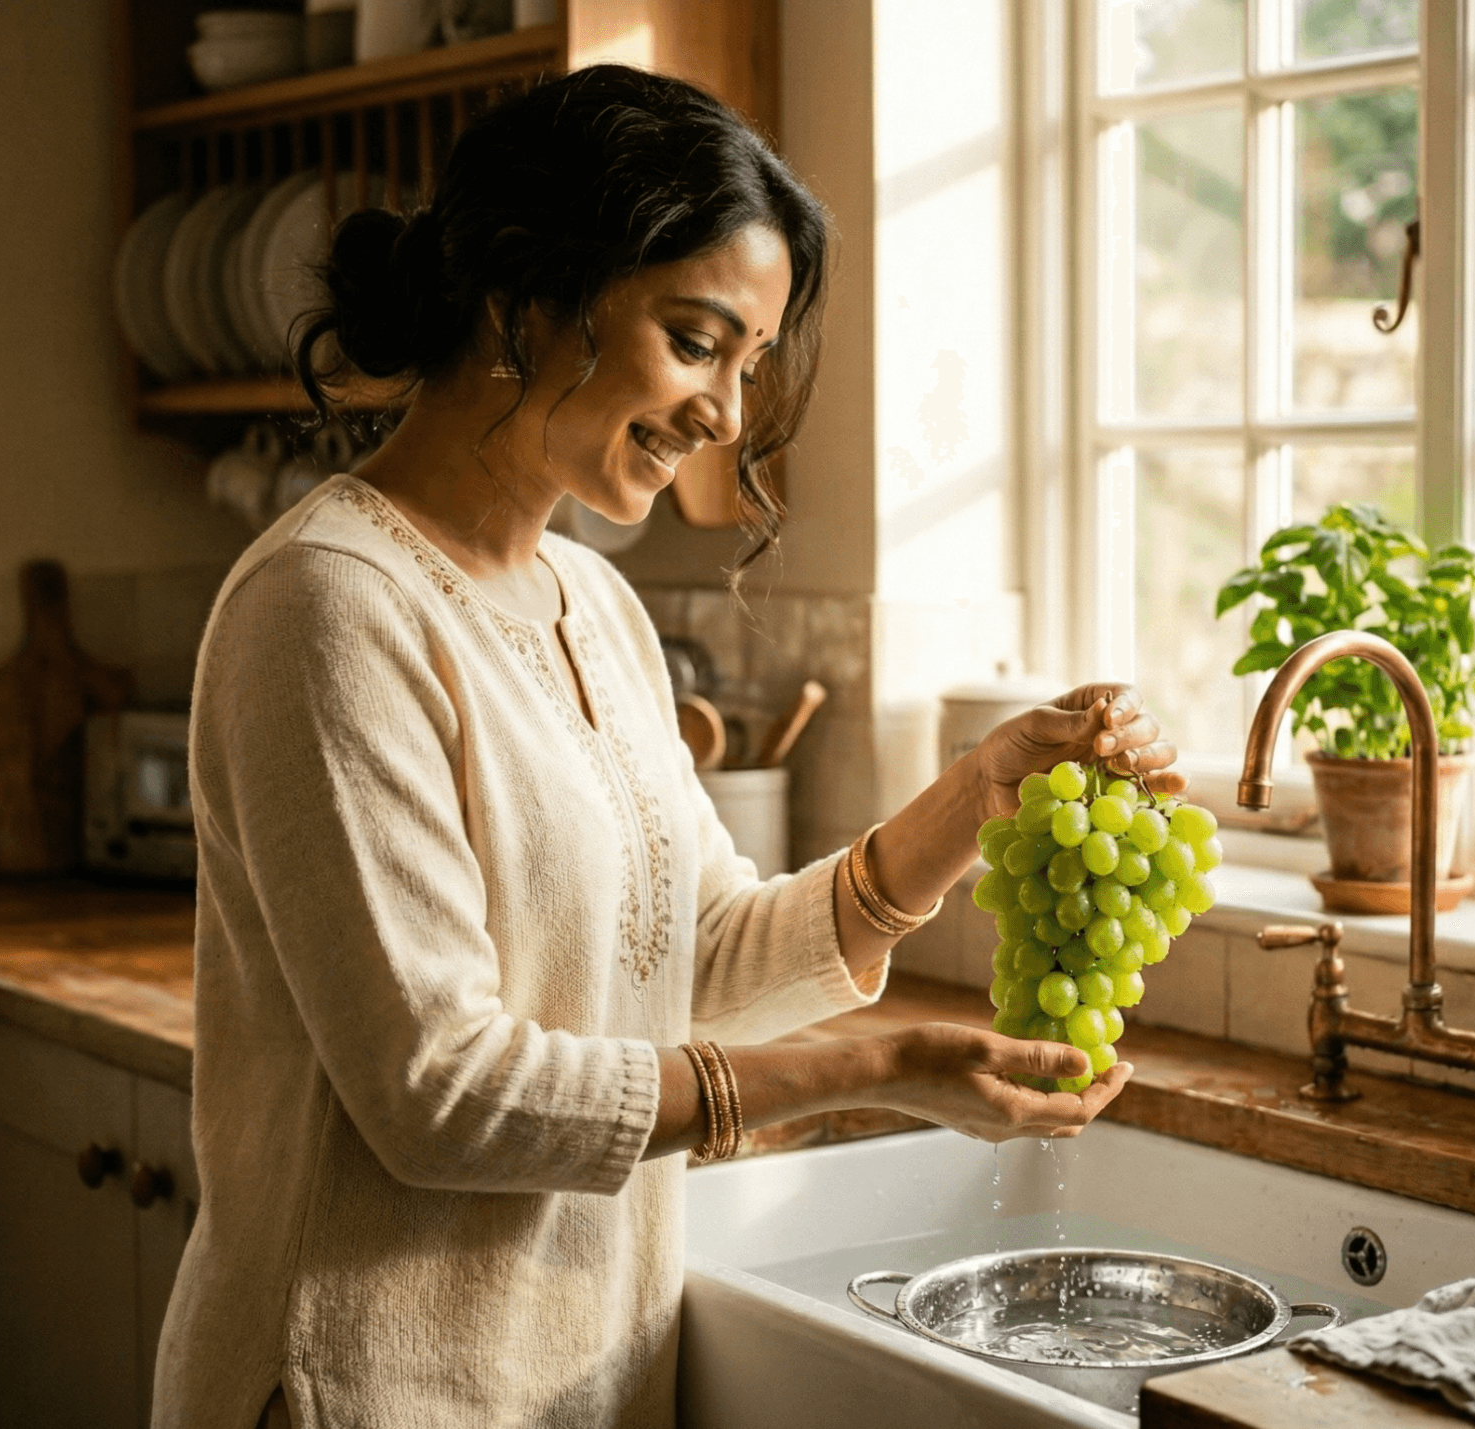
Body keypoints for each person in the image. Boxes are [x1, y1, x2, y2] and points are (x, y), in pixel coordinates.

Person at [151, 65, 1182, 1429]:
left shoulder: (600, 606)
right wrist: (883, 1072)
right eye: (697, 342)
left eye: (748, 362)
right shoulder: (328, 606)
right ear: (526, 296)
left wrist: (964, 806)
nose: (730, 416)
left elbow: (694, 965)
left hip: (577, 1378)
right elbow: (439, 1095)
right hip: (362, 1387)